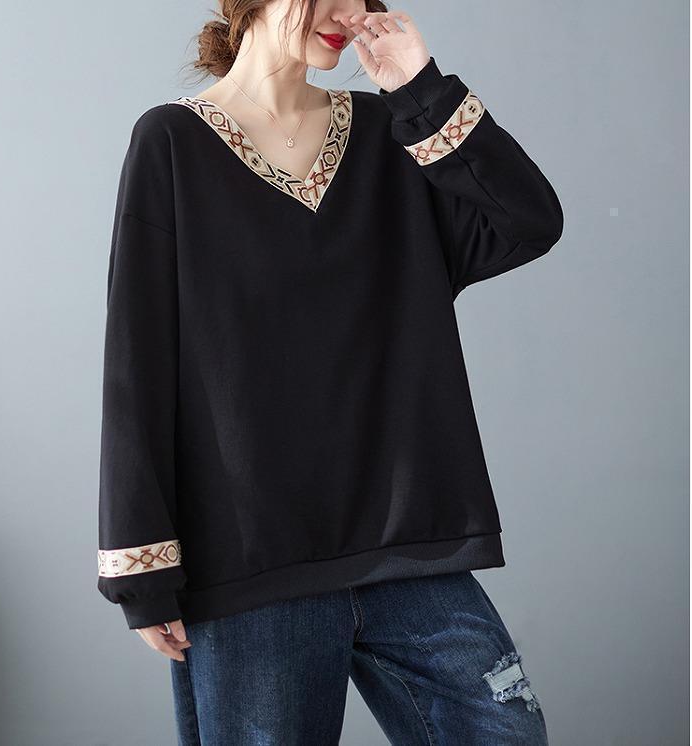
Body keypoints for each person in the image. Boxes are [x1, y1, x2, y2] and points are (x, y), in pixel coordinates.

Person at [96, 2, 563, 744]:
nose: (350, 12)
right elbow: (138, 364)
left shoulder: (389, 134)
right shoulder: (172, 142)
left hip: (408, 548)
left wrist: (422, 89)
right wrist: (141, 571)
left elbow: (527, 221)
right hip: (252, 566)